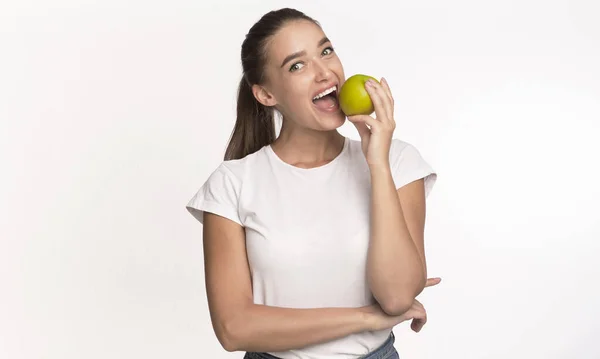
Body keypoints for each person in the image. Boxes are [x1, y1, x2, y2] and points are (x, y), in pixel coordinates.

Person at [185, 8, 440, 359]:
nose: (324, 73)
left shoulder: (397, 162)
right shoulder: (231, 184)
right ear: (266, 95)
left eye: (325, 51)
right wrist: (365, 318)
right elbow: (234, 329)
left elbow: (396, 297)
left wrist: (377, 163)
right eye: (297, 65)